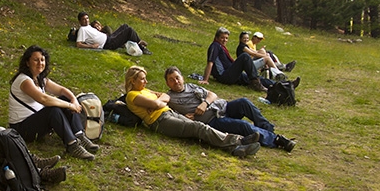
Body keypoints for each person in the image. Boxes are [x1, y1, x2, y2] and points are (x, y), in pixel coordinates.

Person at [124, 66, 261, 158]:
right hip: (160, 121)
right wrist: (159, 102)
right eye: (142, 79)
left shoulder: (144, 91)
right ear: (132, 80)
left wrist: (160, 101)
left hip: (170, 113)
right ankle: (239, 141)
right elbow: (158, 102)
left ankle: (235, 148)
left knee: (200, 130)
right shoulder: (132, 95)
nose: (146, 81)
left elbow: (162, 98)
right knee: (198, 127)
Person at [164, 66, 296, 152]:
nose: (176, 82)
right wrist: (185, 117)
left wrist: (204, 103)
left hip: (222, 107)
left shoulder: (191, 86)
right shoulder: (169, 97)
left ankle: (267, 129)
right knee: (243, 126)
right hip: (212, 120)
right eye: (171, 80)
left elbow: (212, 94)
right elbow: (168, 111)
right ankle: (277, 140)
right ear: (167, 84)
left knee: (244, 102)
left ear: (182, 78)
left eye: (177, 78)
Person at [9, 45, 99, 161]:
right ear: (27, 63)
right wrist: (70, 106)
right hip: (22, 129)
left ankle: (79, 135)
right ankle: (72, 145)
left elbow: (61, 90)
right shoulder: (24, 80)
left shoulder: (40, 79)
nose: (40, 63)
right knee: (53, 109)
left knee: (64, 99)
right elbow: (44, 99)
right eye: (35, 60)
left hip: (35, 121)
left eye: (42, 60)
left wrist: (73, 99)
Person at [201, 27, 289, 92]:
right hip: (224, 76)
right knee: (244, 56)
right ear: (217, 38)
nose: (225, 40)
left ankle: (285, 85)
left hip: (232, 73)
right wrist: (205, 80)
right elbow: (210, 62)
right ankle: (255, 84)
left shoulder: (221, 47)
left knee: (254, 78)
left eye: (226, 38)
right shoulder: (215, 46)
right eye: (222, 38)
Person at [75, 11, 152, 54]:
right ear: (80, 21)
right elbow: (78, 44)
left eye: (87, 18)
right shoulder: (82, 29)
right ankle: (141, 46)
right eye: (83, 19)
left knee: (125, 26)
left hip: (109, 37)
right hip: (108, 44)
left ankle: (138, 42)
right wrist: (92, 47)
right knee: (129, 31)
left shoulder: (88, 26)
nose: (86, 20)